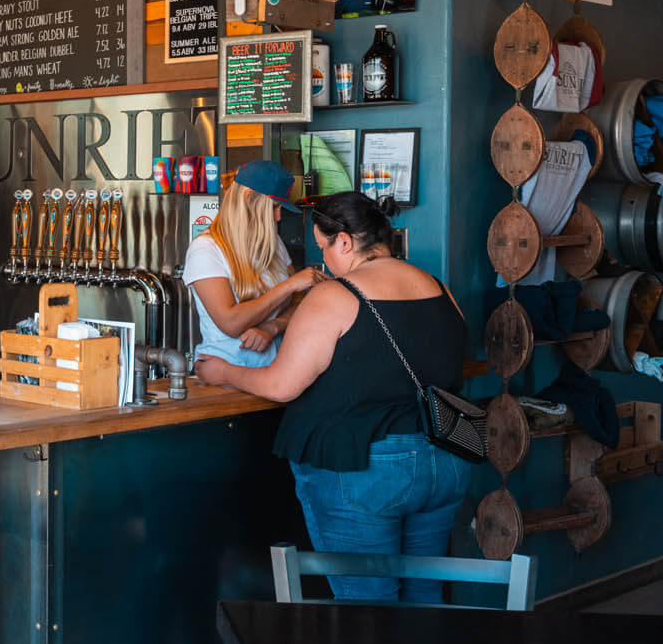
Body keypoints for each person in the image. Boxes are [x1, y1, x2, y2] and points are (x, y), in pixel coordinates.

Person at [194, 192, 471, 602]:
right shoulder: (439, 288)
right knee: (425, 600)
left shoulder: (337, 296)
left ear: (344, 241)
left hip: (363, 467)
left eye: (324, 247)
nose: (323, 261)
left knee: (367, 607)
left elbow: (280, 386)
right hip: (444, 459)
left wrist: (223, 371)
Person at [183, 160, 323, 368]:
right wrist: (290, 284)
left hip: (278, 373)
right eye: (274, 207)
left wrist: (273, 327)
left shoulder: (272, 243)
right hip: (226, 377)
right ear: (248, 198)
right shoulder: (205, 250)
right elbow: (230, 323)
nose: (277, 218)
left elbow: (299, 302)